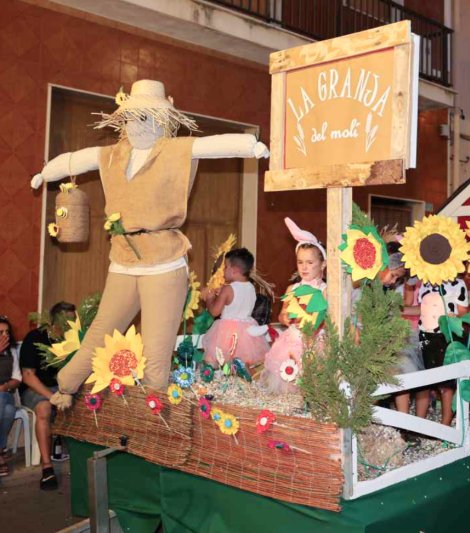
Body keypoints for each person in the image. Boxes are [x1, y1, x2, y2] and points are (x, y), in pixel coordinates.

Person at [31, 80, 269, 410]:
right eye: (134, 117)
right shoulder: (112, 156)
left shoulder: (174, 151)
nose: (139, 125)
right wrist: (47, 172)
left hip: (164, 260)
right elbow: (78, 159)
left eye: (147, 117)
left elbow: (212, 146)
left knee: (158, 344)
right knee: (102, 328)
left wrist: (250, 144)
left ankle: (154, 408)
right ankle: (66, 385)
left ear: (162, 120)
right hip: (124, 258)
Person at [262, 218, 327, 395]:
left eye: (310, 263)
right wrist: (285, 317)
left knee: (312, 385)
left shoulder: (325, 291)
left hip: (315, 343)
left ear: (323, 264)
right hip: (291, 341)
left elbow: (328, 320)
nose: (304, 267)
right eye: (300, 262)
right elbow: (283, 315)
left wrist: (315, 321)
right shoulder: (292, 289)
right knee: (288, 385)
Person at [20, 302, 75, 490]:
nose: (71, 324)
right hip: (36, 389)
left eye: (73, 320)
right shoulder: (34, 338)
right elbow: (28, 376)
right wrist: (51, 397)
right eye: (67, 320)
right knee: (43, 408)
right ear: (54, 320)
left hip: (62, 388)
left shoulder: (72, 341)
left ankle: (79, 458)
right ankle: (47, 468)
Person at [201, 248, 270, 367]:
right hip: (247, 332)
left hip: (227, 333)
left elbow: (214, 312)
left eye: (226, 267)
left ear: (234, 270)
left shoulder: (228, 289)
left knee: (217, 361)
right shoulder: (251, 288)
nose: (223, 271)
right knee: (243, 365)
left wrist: (210, 298)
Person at [417, 278, 469, 427]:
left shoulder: (457, 283)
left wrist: (454, 316)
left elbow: (464, 311)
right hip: (425, 335)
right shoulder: (426, 281)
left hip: (444, 336)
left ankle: (445, 424)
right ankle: (418, 425)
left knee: (446, 384)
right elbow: (422, 308)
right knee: (425, 378)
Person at [0, 316, 21, 477]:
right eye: (1, 332)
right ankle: (1, 450)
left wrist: (6, 386)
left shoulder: (12, 351)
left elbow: (17, 378)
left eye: (7, 332)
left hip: (5, 393)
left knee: (3, 400)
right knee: (8, 411)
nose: (5, 335)